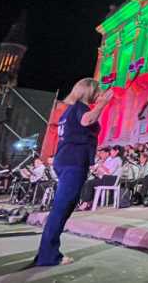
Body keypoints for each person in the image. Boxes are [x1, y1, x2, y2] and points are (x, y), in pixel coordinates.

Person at [35, 78, 112, 266]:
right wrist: (102, 104)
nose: (99, 93)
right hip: (73, 161)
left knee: (64, 206)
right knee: (61, 208)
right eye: (97, 90)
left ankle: (47, 252)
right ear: (89, 91)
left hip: (66, 160)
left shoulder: (69, 110)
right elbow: (88, 120)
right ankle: (48, 255)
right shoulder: (80, 108)